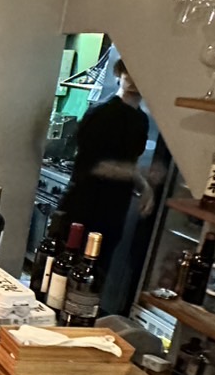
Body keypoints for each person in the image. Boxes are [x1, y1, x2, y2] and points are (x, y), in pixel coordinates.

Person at [59, 58, 152, 275]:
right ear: (119, 75)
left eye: (139, 74)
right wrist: (136, 174)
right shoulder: (101, 113)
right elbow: (92, 165)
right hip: (85, 206)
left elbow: (129, 164)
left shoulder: (141, 120)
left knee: (98, 270)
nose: (133, 79)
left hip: (115, 209)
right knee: (68, 268)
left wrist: (145, 187)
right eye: (128, 72)